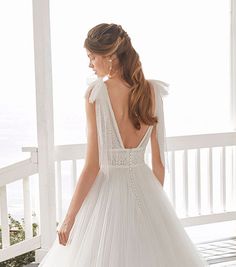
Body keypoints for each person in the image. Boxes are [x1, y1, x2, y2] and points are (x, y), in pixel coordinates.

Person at [38, 23, 209, 266]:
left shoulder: (95, 94)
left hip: (106, 193)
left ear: (109, 56)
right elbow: (159, 165)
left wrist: (69, 217)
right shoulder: (153, 92)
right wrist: (154, 207)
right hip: (146, 189)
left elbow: (92, 165)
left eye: (92, 57)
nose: (90, 64)